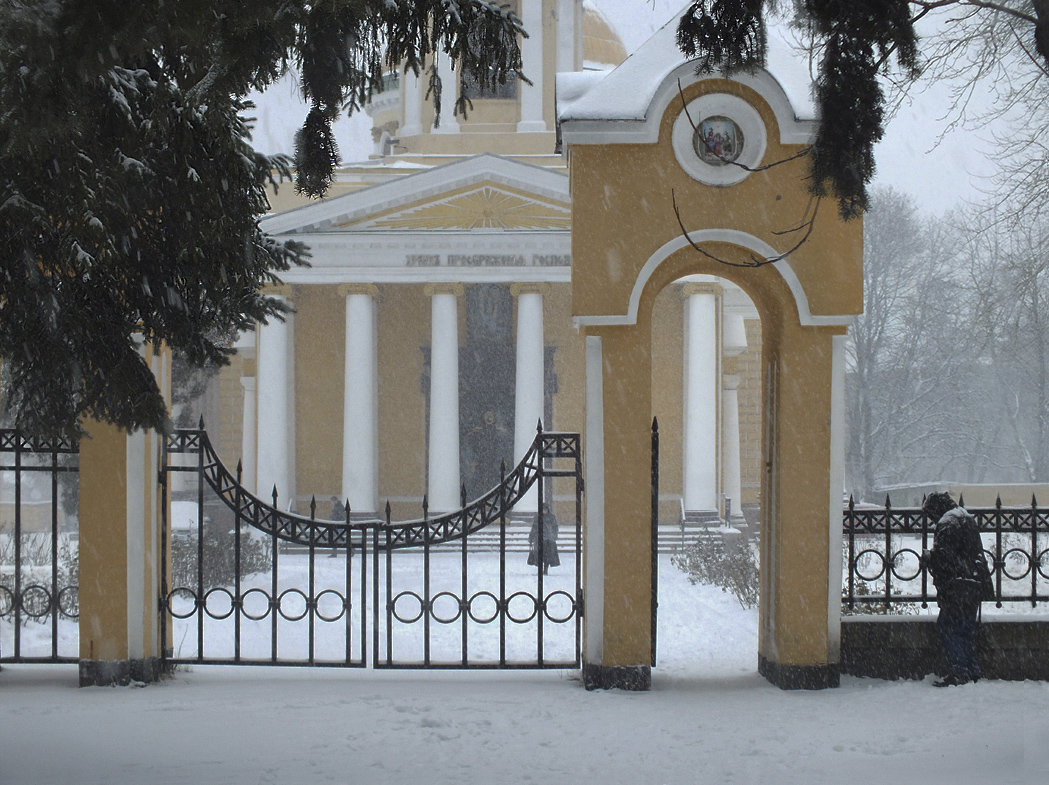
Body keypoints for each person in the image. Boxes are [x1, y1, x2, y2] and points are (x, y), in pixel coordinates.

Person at [921, 491, 994, 687]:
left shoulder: (947, 523)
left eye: (931, 515)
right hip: (974, 582)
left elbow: (945, 558)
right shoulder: (965, 517)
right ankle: (972, 670)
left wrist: (929, 557)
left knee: (948, 627)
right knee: (966, 629)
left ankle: (959, 671)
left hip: (958, 585)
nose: (932, 519)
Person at [527, 504, 560, 575]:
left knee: (547, 556)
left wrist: (554, 535)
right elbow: (534, 527)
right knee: (539, 556)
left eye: (545, 509)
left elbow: (555, 527)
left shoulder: (551, 517)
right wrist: (531, 537)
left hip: (549, 539)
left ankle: (545, 569)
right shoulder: (538, 517)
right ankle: (540, 569)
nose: (544, 511)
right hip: (539, 539)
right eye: (543, 509)